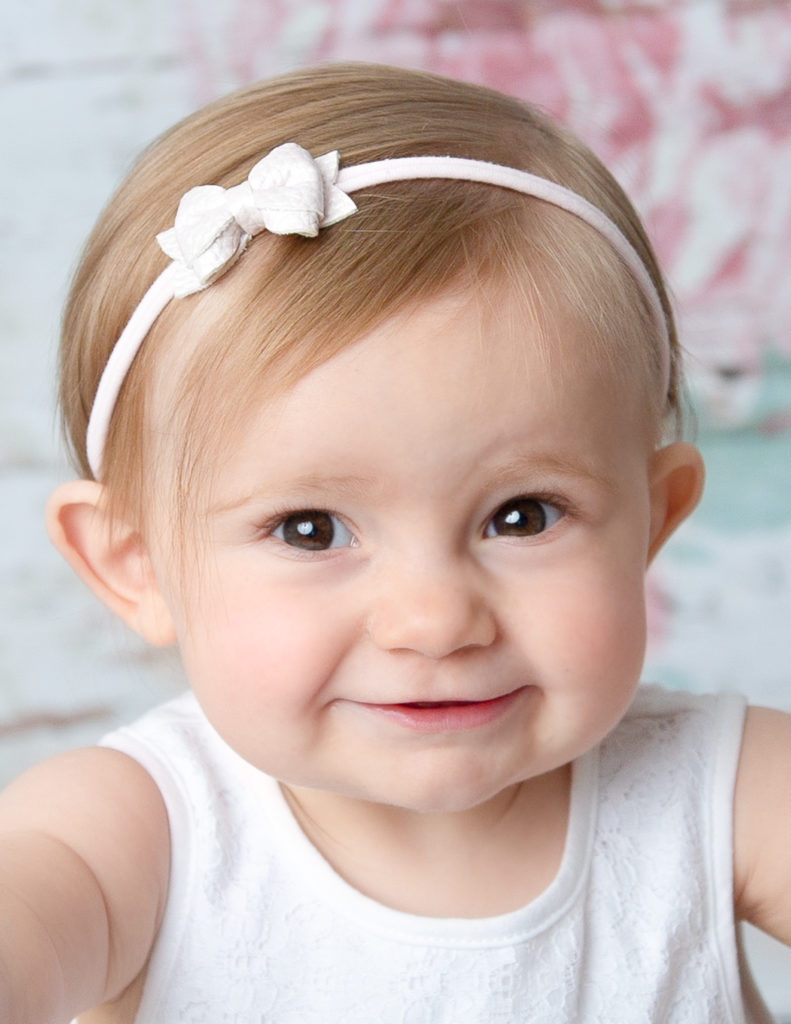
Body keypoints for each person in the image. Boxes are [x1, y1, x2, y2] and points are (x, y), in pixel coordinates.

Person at [0, 61, 788, 1024]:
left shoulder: (725, 794)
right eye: (310, 529)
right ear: (136, 564)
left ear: (651, 523)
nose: (433, 619)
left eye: (522, 515)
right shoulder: (131, 835)